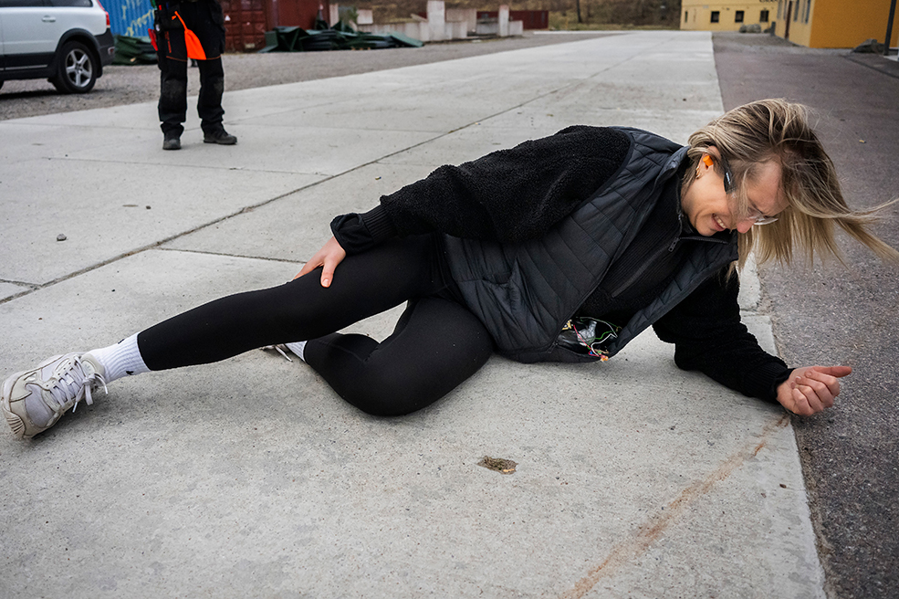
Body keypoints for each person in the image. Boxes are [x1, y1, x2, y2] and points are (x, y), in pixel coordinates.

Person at [2, 99, 897, 439]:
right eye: (745, 203)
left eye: (761, 220)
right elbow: (473, 186)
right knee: (288, 301)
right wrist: (360, 231)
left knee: (392, 388)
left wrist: (779, 383)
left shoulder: (711, 254)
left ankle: (316, 348)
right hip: (439, 249)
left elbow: (707, 338)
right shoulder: (609, 156)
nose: (744, 224)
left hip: (483, 318)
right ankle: (96, 365)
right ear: (713, 159)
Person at [153, 0, 237, 150]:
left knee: (214, 74)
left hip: (207, 9)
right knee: (173, 75)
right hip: (173, 9)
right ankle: (171, 130)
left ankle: (213, 127)